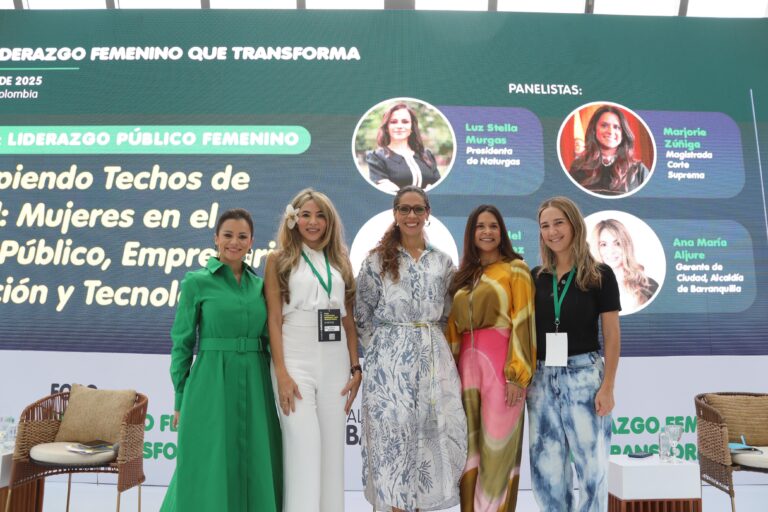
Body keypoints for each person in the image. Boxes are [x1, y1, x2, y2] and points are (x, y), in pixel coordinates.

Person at [161, 208, 282, 512]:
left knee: (253, 455)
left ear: (252, 241)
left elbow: (273, 336)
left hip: (255, 379)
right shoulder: (196, 283)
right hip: (210, 381)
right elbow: (182, 343)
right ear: (215, 238)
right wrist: (180, 397)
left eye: (242, 236)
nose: (234, 242)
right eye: (228, 235)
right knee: (209, 458)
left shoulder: (260, 286)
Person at [355, 185, 467, 512]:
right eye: (404, 209)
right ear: (395, 213)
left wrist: (428, 342)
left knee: (430, 438)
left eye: (418, 209)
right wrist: (385, 352)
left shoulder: (443, 262)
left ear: (428, 214)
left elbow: (448, 314)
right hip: (389, 367)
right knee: (392, 439)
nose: (411, 215)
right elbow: (362, 314)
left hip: (434, 361)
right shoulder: (376, 261)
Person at [264, 189, 361, 512]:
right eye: (306, 214)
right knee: (304, 451)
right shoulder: (278, 260)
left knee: (332, 454)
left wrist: (355, 367)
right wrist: (281, 372)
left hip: (334, 363)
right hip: (295, 359)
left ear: (329, 222)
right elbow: (274, 320)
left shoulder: (340, 259)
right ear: (293, 218)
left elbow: (349, 322)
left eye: (320, 215)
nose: (313, 222)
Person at [528, 197, 621, 512]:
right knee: (546, 470)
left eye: (559, 223)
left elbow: (611, 335)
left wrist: (607, 386)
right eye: (545, 226)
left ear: (574, 225)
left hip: (585, 377)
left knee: (592, 470)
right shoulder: (535, 277)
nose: (552, 232)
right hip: (540, 379)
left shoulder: (600, 275)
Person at [446, 205, 536, 512]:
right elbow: (453, 330)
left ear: (502, 232)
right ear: (471, 233)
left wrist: (517, 374)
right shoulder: (463, 277)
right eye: (480, 226)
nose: (487, 232)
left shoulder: (516, 269)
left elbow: (523, 322)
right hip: (465, 373)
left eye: (493, 226)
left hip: (501, 370)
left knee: (497, 456)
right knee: (469, 454)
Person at [569, 105, 650, 196]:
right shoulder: (578, 167)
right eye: (604, 125)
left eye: (616, 127)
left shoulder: (639, 170)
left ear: (623, 133)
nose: (610, 131)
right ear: (594, 130)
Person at [365, 102, 441, 192]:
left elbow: (439, 185)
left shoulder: (427, 155)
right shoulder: (376, 157)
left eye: (405, 122)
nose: (399, 126)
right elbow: (387, 190)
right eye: (393, 122)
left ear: (412, 127)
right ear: (386, 127)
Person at [592, 218, 659, 314]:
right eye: (603, 244)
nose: (611, 251)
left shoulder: (649, 286)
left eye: (617, 243)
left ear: (626, 246)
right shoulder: (585, 287)